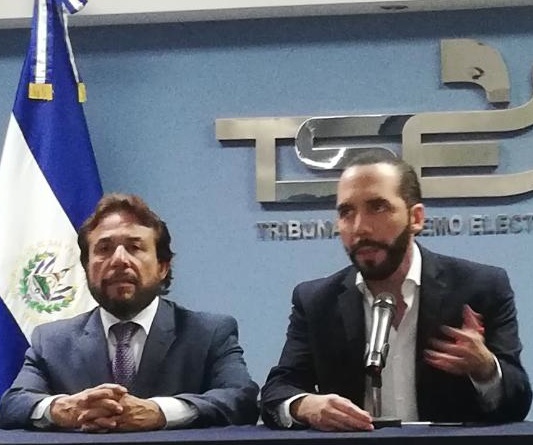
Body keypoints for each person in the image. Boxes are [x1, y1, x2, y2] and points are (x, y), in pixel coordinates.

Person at [260, 149, 532, 431]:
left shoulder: (479, 288)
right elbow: (277, 391)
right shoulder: (316, 301)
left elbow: (517, 403)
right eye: (346, 212)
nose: (360, 227)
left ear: (416, 218)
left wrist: (486, 369)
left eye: (377, 207)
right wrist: (306, 405)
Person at [0, 193, 259, 431]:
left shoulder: (208, 333)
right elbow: (12, 405)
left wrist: (160, 412)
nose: (119, 260)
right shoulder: (52, 341)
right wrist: (61, 409)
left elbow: (242, 399)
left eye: (135, 247)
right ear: (86, 267)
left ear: (163, 267)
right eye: (104, 249)